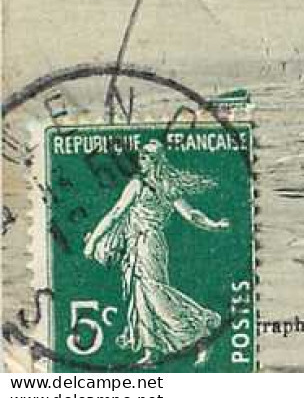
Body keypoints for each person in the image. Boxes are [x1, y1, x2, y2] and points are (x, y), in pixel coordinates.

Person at [82, 140, 231, 366]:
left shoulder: (148, 185)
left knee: (155, 293)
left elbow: (190, 214)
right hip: (137, 243)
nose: (140, 161)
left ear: (155, 161)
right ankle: (151, 350)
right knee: (140, 294)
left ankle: (200, 335)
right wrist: (213, 224)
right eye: (140, 157)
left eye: (144, 157)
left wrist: (93, 242)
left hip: (148, 243)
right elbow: (117, 213)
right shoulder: (159, 185)